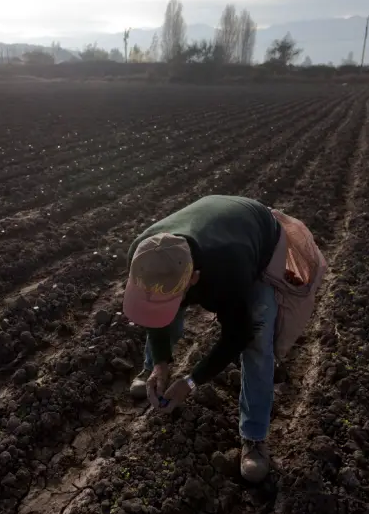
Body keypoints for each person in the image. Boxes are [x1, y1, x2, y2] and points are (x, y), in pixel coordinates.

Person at [122, 195, 285, 483]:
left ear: (194, 279)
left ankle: (255, 437)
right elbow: (153, 307)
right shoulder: (143, 252)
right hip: (209, 224)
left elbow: (237, 336)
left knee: (258, 339)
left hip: (257, 233)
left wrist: (191, 381)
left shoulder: (229, 271)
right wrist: (162, 361)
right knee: (162, 304)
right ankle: (152, 369)